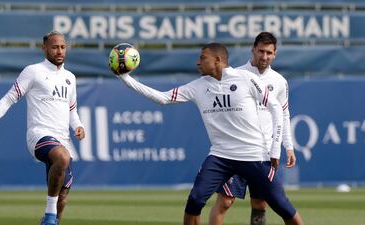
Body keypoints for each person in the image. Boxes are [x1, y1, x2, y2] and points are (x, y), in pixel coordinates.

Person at [116, 42, 304, 225]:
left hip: (254, 155)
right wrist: (126, 79)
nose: (198, 62)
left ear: (217, 60)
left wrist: (275, 150)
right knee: (195, 201)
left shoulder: (246, 78)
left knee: (282, 206)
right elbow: (162, 98)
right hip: (220, 156)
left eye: (202, 58)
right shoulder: (198, 86)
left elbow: (276, 109)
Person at [0, 30, 85, 225]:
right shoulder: (33, 71)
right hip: (39, 134)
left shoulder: (70, 78)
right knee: (62, 157)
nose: (59, 51)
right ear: (44, 48)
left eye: (62, 47)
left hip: (63, 139)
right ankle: (49, 216)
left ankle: (51, 219)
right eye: (54, 47)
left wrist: (78, 125)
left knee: (62, 199)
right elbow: (10, 97)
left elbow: (72, 110)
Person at [209, 32, 296, 225]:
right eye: (261, 51)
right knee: (225, 201)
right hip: (237, 151)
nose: (264, 57)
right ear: (253, 50)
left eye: (269, 53)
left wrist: (288, 146)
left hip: (263, 153)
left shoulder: (279, 81)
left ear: (275, 54)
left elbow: (283, 114)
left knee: (260, 202)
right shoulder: (235, 74)